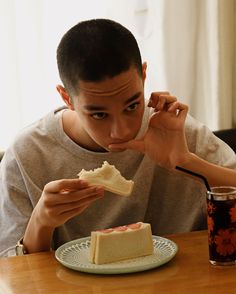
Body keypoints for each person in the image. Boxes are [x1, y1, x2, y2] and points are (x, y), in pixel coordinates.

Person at [0, 19, 236, 257]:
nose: (121, 131)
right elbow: (11, 272)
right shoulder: (27, 154)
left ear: (143, 75)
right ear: (66, 98)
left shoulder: (173, 131)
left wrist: (186, 161)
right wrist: (41, 222)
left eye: (132, 106)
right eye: (99, 114)